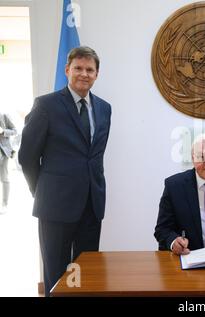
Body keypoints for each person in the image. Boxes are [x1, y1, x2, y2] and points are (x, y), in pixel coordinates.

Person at [18, 46, 112, 296]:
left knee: (87, 270)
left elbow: (95, 155)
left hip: (92, 204)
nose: (84, 74)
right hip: (55, 204)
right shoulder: (46, 105)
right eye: (78, 68)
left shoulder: (104, 108)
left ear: (97, 74)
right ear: (67, 70)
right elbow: (27, 156)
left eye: (89, 69)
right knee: (57, 272)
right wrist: (41, 189)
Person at [0, 112, 17, 214]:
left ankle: (5, 204)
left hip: (3, 152)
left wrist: (3, 132)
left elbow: (15, 131)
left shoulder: (3, 115)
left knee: (4, 178)